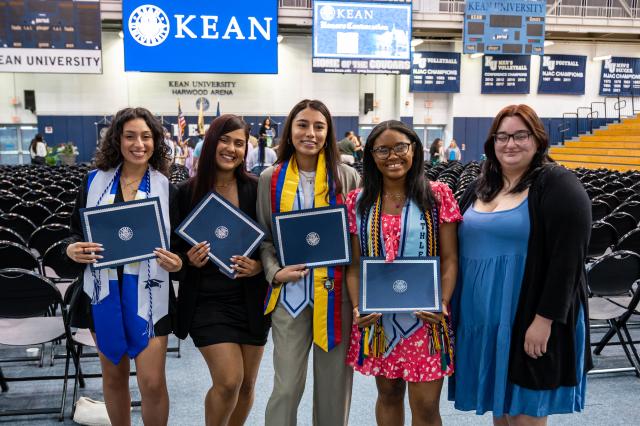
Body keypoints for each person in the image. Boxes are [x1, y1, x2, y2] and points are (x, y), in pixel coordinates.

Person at [450, 104, 592, 424]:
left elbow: (568, 260)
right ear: (492, 143)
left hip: (529, 314)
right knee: (500, 411)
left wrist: (545, 320)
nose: (510, 144)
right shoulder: (480, 186)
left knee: (525, 416)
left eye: (520, 135)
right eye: (502, 137)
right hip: (483, 318)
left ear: (538, 140)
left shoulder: (558, 184)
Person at [63, 107, 183, 426]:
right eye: (130, 136)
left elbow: (181, 249)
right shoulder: (94, 183)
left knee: (152, 382)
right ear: (117, 140)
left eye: (146, 136)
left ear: (156, 141)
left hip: (151, 294)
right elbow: (76, 230)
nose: (138, 144)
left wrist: (178, 262)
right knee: (114, 378)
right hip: (103, 293)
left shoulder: (167, 189)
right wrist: (72, 248)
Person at [345, 120, 461, 426]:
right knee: (389, 395)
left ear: (415, 150)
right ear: (370, 155)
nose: (392, 156)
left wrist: (443, 302)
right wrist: (358, 307)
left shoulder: (438, 196)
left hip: (426, 319)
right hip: (379, 321)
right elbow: (355, 266)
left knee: (424, 407)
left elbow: (450, 259)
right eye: (382, 149)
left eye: (400, 147)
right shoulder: (357, 203)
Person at [257, 99, 360, 426]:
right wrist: (275, 272)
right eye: (303, 125)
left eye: (319, 126)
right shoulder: (269, 178)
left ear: (328, 133)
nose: (310, 133)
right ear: (290, 130)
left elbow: (356, 239)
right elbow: (264, 237)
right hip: (291, 296)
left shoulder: (347, 177)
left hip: (336, 295)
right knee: (286, 387)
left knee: (334, 389)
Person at [175, 114, 270, 426]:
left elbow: (274, 243)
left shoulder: (258, 191)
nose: (232, 148)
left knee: (246, 386)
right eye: (225, 140)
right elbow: (172, 253)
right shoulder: (186, 193)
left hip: (251, 299)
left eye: (239, 143)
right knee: (229, 380)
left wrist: (259, 266)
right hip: (207, 300)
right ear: (211, 143)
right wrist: (188, 259)